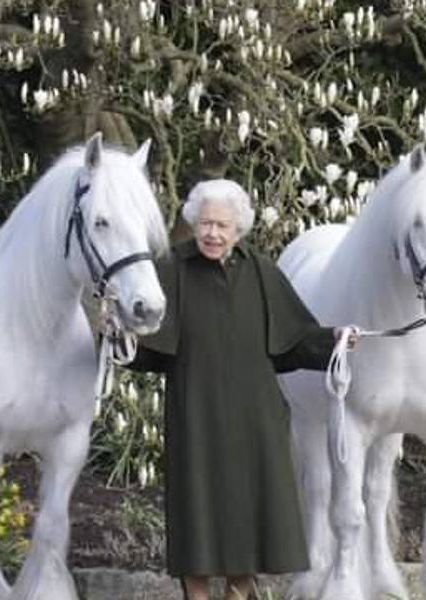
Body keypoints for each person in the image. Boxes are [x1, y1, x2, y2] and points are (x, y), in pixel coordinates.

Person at [125, 179, 357, 600]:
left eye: (222, 226)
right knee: (195, 517)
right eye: (206, 223)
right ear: (194, 223)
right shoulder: (171, 269)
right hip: (195, 416)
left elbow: (294, 342)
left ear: (239, 229)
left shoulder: (262, 272)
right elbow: (148, 349)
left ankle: (238, 595)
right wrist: (118, 340)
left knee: (251, 517)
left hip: (256, 420)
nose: (213, 233)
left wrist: (335, 339)